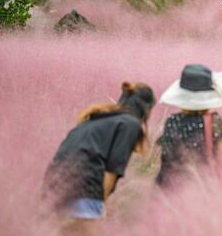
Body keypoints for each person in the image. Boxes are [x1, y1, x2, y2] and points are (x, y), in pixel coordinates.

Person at [42, 82, 156, 221]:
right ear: (147, 109)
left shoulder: (96, 119)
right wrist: (101, 207)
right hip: (85, 187)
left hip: (54, 186)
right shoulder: (130, 124)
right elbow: (112, 170)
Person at [155, 64, 222, 189]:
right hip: (203, 188)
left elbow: (166, 159)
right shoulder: (213, 121)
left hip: (174, 187)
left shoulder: (172, 121)